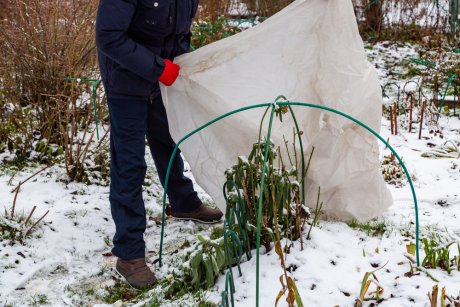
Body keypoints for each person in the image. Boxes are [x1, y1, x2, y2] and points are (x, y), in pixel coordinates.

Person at [95, 0, 223, 289]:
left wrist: (185, 61)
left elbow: (177, 34)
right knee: (129, 163)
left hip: (161, 77)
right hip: (125, 79)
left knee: (167, 139)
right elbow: (108, 36)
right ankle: (128, 254)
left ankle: (183, 203)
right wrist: (157, 68)